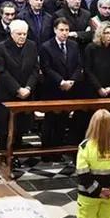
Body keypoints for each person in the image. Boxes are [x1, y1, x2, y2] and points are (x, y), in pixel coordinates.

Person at [0, 19, 39, 151]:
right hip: (8, 93)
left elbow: (35, 69)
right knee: (5, 125)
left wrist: (28, 88)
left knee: (21, 125)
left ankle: (18, 151)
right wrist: (18, 89)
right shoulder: (1, 48)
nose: (22, 37)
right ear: (12, 34)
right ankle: (3, 151)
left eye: (24, 34)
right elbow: (1, 72)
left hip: (26, 92)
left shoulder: (32, 46)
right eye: (19, 34)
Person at [40, 17, 81, 148]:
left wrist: (72, 81)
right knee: (50, 120)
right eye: (61, 30)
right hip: (53, 88)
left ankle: (58, 149)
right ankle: (47, 150)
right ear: (55, 30)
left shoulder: (73, 45)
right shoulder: (46, 46)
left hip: (69, 88)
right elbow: (46, 68)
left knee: (63, 120)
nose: (64, 33)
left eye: (67, 30)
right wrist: (61, 81)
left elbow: (78, 65)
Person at [83, 21, 110, 99]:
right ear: (100, 34)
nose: (109, 36)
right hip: (93, 90)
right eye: (106, 33)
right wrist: (99, 88)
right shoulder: (91, 48)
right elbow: (88, 71)